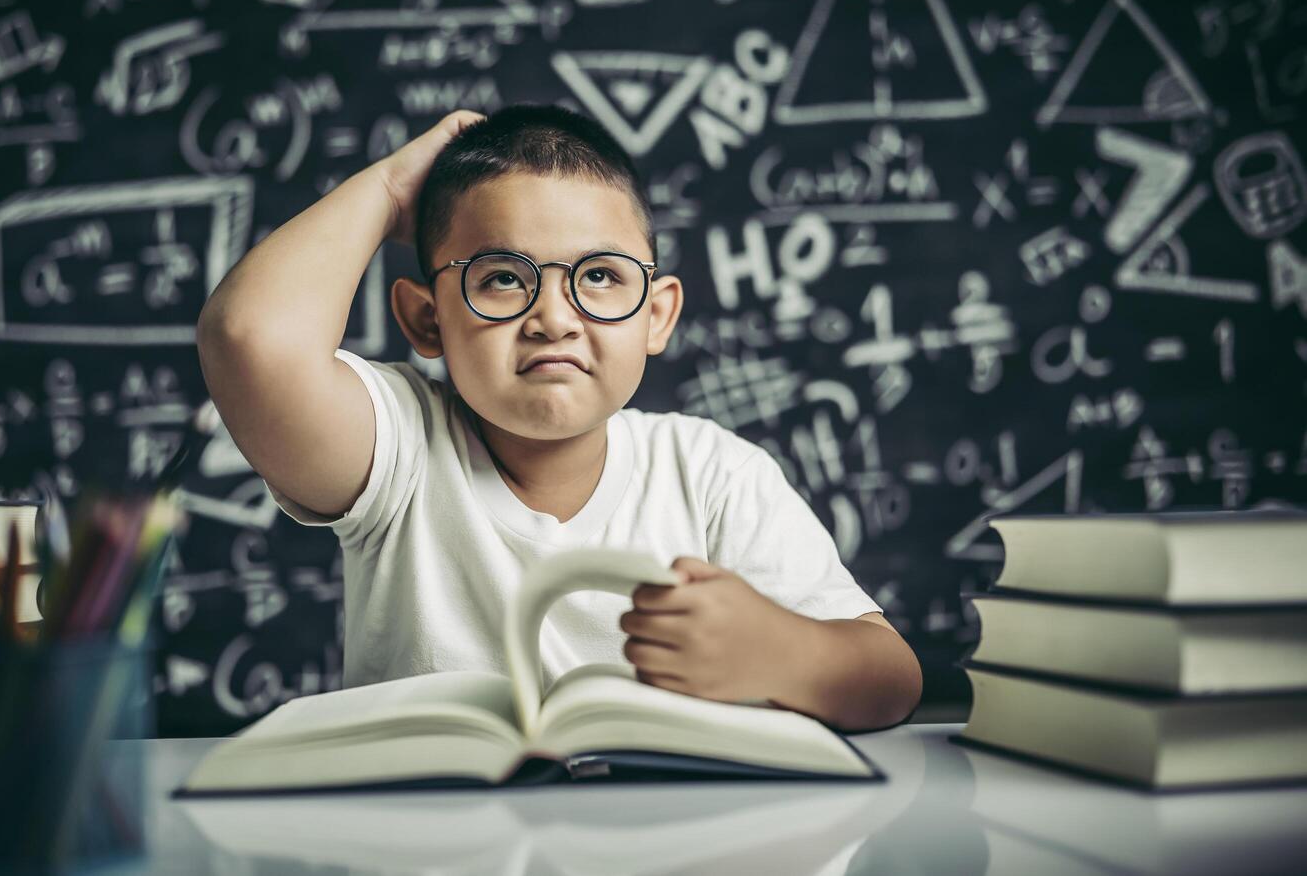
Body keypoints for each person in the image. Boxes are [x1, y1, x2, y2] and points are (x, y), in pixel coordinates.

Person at [196, 104, 922, 731]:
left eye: (600, 277)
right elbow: (249, 339)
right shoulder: (400, 450)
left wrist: (779, 651)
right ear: (426, 319)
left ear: (657, 315)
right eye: (503, 278)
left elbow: (893, 680)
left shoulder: (712, 474)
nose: (553, 318)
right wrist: (389, 191)